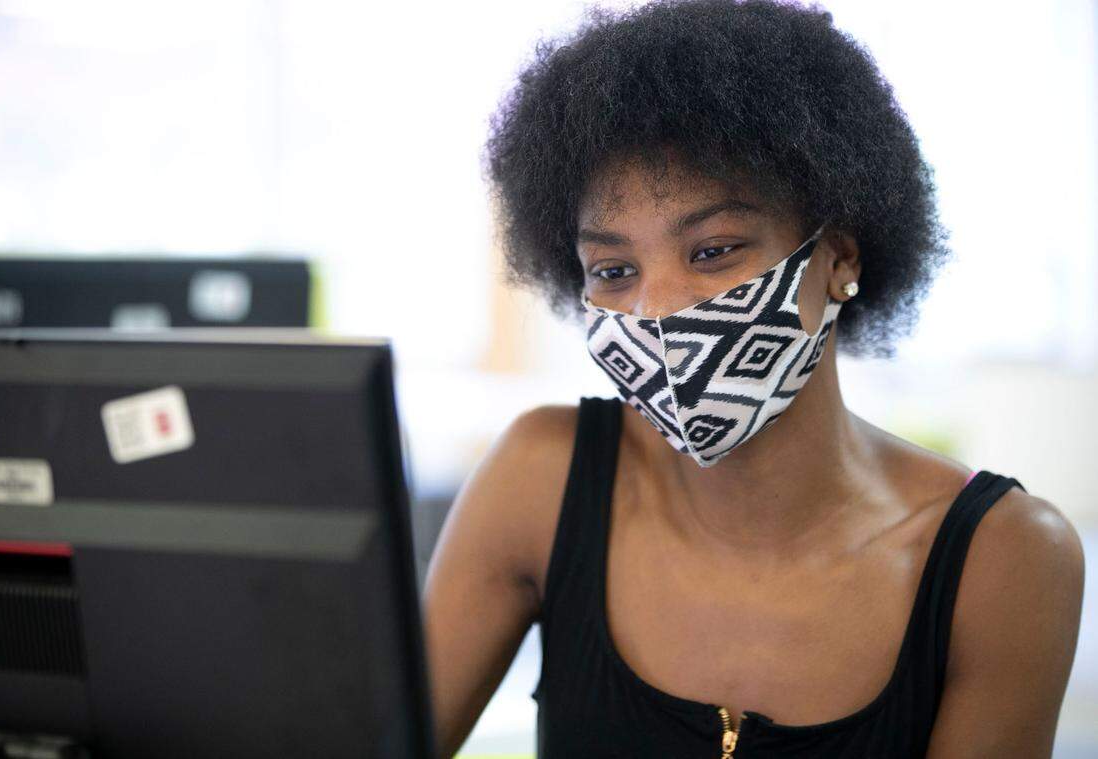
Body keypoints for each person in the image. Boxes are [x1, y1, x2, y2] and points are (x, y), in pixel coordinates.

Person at [421, 1, 1085, 757]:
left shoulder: (1001, 557)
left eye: (713, 251)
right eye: (614, 269)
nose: (658, 307)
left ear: (839, 258)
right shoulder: (541, 478)